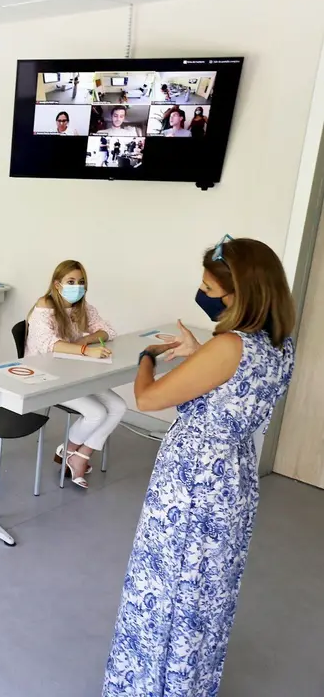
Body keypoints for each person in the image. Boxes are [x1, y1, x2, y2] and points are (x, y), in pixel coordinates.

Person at [104, 237, 296, 697]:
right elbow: (232, 387)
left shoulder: (229, 346)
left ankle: (147, 685)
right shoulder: (279, 343)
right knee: (205, 590)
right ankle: (186, 682)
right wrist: (199, 352)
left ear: (240, 293)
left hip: (192, 480)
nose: (202, 292)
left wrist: (146, 360)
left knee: (165, 581)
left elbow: (149, 397)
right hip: (233, 474)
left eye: (209, 286)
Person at [24, 260, 123, 489]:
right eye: (71, 282)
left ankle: (78, 455)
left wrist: (85, 339)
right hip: (47, 375)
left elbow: (108, 330)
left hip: (74, 370)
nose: (77, 287)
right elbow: (50, 344)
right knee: (97, 412)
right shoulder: (44, 306)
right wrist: (86, 350)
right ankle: (70, 452)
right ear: (57, 284)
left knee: (118, 406)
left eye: (81, 282)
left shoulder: (82, 307)